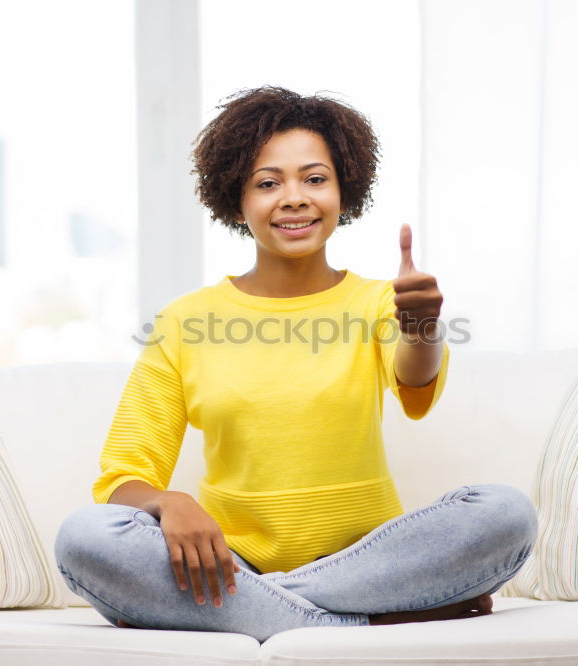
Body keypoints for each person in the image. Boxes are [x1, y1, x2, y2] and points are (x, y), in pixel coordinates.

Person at [54, 86, 538, 642]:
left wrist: (420, 326)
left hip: (371, 563)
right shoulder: (186, 320)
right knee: (84, 537)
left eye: (314, 179)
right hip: (228, 565)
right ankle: (364, 622)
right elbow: (122, 478)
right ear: (236, 202)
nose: (294, 198)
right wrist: (168, 502)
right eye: (267, 183)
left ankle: (261, 614)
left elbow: (414, 377)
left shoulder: (378, 301)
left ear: (343, 191)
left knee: (506, 512)